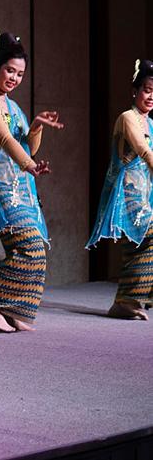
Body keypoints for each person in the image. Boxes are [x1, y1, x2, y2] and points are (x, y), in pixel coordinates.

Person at [0, 29, 63, 332]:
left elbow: (28, 147)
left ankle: (14, 310)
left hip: (20, 188)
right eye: (10, 70)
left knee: (34, 250)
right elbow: (5, 139)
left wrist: (35, 126)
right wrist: (30, 165)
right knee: (29, 246)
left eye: (20, 74)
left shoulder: (13, 106)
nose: (14, 78)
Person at [86, 59, 153, 320]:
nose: (151, 96)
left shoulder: (151, 123)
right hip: (128, 193)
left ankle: (126, 301)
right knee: (146, 235)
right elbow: (144, 151)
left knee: (140, 245)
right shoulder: (127, 118)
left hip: (146, 192)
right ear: (135, 91)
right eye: (147, 90)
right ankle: (127, 300)